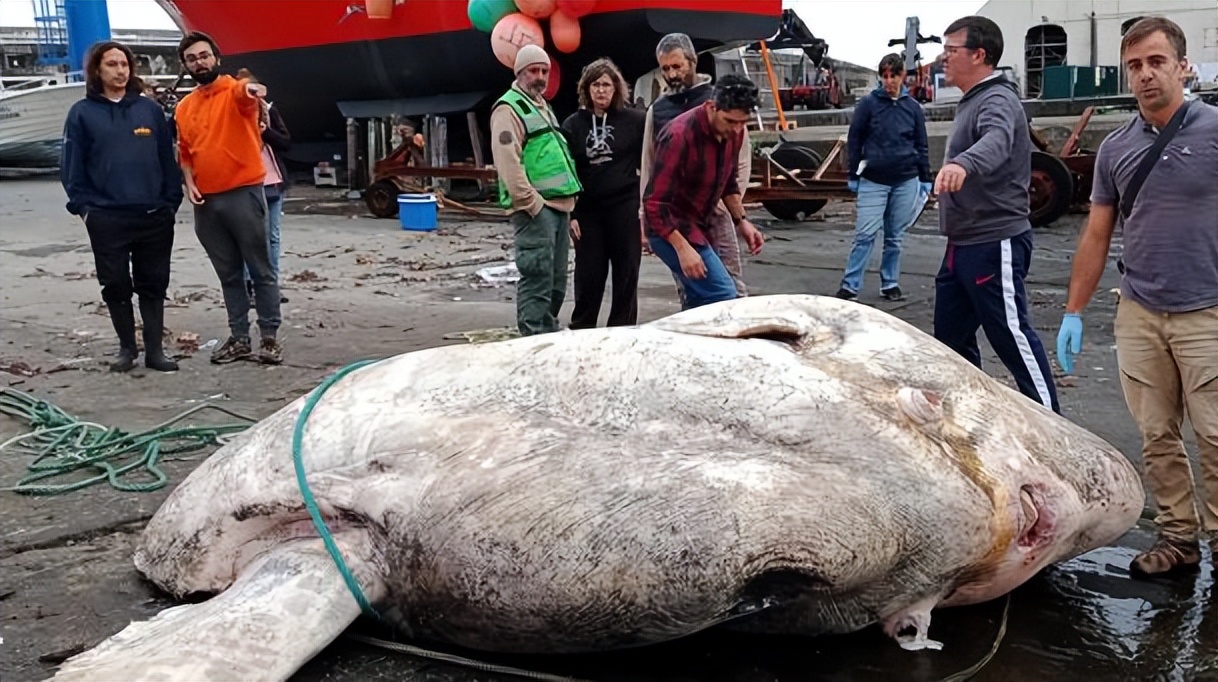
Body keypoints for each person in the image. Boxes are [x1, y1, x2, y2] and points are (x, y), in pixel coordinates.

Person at [1056, 16, 1218, 578]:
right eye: (1134, 66)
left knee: (1217, 436)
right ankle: (1179, 538)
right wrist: (1074, 311)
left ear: (1181, 65)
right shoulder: (1116, 148)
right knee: (1157, 436)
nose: (1145, 75)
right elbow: (1097, 233)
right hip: (1141, 311)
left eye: (1155, 61)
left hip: (1209, 310)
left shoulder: (1214, 130)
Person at [932, 15, 1059, 414]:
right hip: (962, 242)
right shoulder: (972, 101)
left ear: (980, 55)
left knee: (1010, 335)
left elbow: (997, 141)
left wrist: (963, 164)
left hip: (993, 240)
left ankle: (1054, 427)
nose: (943, 59)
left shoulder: (997, 100)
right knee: (950, 339)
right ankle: (971, 417)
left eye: (951, 51)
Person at [60, 40, 183, 373]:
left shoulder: (150, 111)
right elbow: (72, 167)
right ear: (97, 71)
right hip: (107, 217)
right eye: (112, 64)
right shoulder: (82, 113)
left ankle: (155, 351)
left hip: (154, 215)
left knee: (153, 282)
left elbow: (167, 161)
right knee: (115, 283)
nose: (120, 70)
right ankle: (127, 348)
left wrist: (171, 202)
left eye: (125, 65)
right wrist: (85, 209)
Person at [174, 31, 283, 365]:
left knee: (261, 268)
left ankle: (269, 337)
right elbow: (186, 152)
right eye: (192, 59)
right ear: (186, 66)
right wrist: (188, 183)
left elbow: (249, 93)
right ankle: (239, 338)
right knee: (229, 274)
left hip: (243, 193)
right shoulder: (184, 107)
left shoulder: (234, 92)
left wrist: (254, 90)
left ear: (216, 59)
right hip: (207, 201)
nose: (199, 62)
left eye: (204, 56)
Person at [640, 33, 753, 302]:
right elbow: (649, 165)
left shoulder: (724, 106)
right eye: (666, 68)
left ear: (693, 62)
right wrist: (643, 218)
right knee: (692, 286)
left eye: (677, 66)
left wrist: (736, 214)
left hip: (716, 209)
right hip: (675, 215)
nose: (672, 74)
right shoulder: (661, 112)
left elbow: (737, 164)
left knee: (730, 284)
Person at [489, 45, 583, 336]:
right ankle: (532, 336)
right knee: (537, 276)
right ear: (519, 72)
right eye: (533, 70)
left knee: (556, 281)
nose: (540, 76)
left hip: (558, 207)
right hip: (536, 209)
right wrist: (530, 203)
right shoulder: (509, 109)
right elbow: (507, 159)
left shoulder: (543, 107)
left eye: (544, 70)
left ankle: (547, 330)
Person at [837, 52, 932, 302]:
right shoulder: (868, 104)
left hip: (906, 179)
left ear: (902, 76)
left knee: (895, 237)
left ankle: (890, 283)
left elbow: (921, 144)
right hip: (873, 179)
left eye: (893, 76)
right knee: (865, 234)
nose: (888, 81)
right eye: (884, 76)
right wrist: (854, 173)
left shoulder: (912, 108)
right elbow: (855, 139)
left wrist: (925, 177)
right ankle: (850, 285)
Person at [561, 58, 646, 328]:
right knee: (589, 275)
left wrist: (647, 208)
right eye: (595, 85)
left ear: (616, 88)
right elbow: (566, 171)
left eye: (606, 85)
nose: (601, 91)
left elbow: (651, 160)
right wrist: (570, 213)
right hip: (588, 211)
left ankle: (622, 329)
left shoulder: (636, 121)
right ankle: (582, 328)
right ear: (586, 89)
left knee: (627, 272)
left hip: (625, 206)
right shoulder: (573, 124)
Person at [235, 68, 291, 306]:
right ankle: (249, 285)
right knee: (250, 238)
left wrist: (265, 131)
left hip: (273, 182)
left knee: (273, 237)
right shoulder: (233, 116)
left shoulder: (269, 111)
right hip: (247, 184)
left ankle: (270, 285)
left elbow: (286, 142)